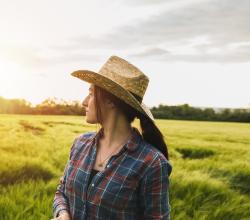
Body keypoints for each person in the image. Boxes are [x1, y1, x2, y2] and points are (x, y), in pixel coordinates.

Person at [52, 56, 172, 220]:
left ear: (110, 101)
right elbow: (62, 190)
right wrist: (63, 213)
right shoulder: (80, 144)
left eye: (91, 94)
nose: (84, 102)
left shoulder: (151, 163)